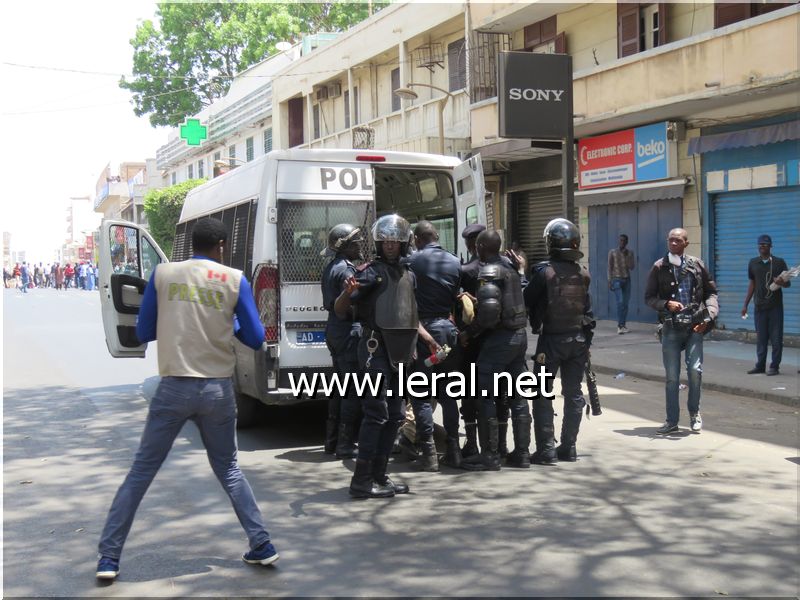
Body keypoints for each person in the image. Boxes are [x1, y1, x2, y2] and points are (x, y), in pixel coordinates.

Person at [95, 218, 279, 581]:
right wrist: (230, 323)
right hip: (217, 391)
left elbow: (144, 331)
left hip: (174, 388)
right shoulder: (233, 279)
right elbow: (256, 338)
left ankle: (109, 558)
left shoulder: (164, 275)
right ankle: (262, 544)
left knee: (141, 472)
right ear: (221, 246)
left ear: (191, 244)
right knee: (229, 469)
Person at [335, 214, 438, 498]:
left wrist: (427, 339)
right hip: (373, 351)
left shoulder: (409, 274)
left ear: (403, 243)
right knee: (375, 414)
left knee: (394, 415)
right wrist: (347, 294)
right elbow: (340, 309)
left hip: (401, 352)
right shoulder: (369, 272)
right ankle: (361, 481)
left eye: (395, 241)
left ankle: (380, 475)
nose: (391, 246)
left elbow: (409, 314)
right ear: (379, 243)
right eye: (386, 242)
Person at [524, 218, 594, 464]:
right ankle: (569, 447)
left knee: (542, 393)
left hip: (551, 341)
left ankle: (546, 449)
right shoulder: (583, 273)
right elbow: (588, 313)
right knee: (574, 393)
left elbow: (526, 299)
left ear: (551, 243)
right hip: (577, 341)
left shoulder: (545, 272)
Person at [459, 229, 530, 471]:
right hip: (519, 337)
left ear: (479, 248)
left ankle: (489, 455)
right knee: (517, 395)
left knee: (485, 395)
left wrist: (469, 332)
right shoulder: (511, 268)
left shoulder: (489, 271)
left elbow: (489, 314)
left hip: (501, 338)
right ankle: (521, 454)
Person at [645, 227, 719, 435]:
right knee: (672, 377)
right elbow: (649, 297)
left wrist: (709, 316)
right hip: (671, 329)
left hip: (695, 326)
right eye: (670, 240)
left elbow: (712, 292)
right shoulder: (659, 267)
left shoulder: (697, 265)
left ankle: (694, 413)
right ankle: (672, 421)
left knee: (695, 371)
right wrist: (666, 303)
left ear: (686, 243)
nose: (673, 244)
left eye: (678, 241)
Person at [405, 220, 462, 470]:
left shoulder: (411, 262)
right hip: (448, 332)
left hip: (423, 332)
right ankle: (454, 450)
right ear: (436, 236)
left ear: (417, 239)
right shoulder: (454, 261)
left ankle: (428, 452)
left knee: (420, 393)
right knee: (448, 393)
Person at [320, 223, 364, 458]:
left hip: (335, 331)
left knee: (340, 387)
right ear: (344, 246)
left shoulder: (331, 267)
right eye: (355, 242)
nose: (360, 245)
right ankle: (346, 444)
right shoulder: (346, 271)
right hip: (347, 330)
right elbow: (352, 302)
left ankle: (332, 440)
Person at [742, 234, 791, 376]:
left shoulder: (779, 262)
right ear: (758, 246)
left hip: (775, 307)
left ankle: (774, 366)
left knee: (776, 338)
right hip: (759, 306)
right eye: (761, 244)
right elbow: (752, 283)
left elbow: (788, 283)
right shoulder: (753, 263)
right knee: (761, 338)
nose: (763, 246)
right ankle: (760, 365)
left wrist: (782, 283)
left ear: (770, 246)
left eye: (766, 244)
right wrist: (745, 304)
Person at [608, 234, 635, 334]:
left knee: (625, 304)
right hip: (616, 279)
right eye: (620, 240)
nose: (622, 242)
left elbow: (632, 267)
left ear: (627, 242)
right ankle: (620, 326)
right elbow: (609, 267)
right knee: (620, 302)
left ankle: (623, 325)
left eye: (624, 241)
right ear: (618, 241)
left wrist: (627, 256)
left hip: (627, 280)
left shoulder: (630, 252)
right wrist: (609, 280)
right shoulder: (612, 252)